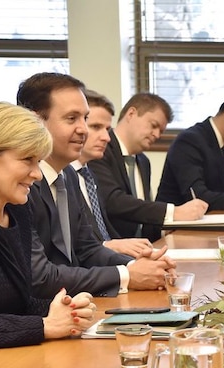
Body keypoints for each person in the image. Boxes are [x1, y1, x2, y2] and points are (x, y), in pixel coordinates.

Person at [0, 101, 96, 355]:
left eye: (38, 161)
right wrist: (45, 325)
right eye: (28, 160)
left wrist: (63, 309)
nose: (37, 174)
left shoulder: (16, 210)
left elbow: (17, 304)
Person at [16, 72, 175, 297]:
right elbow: (40, 276)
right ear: (35, 121)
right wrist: (127, 276)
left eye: (85, 118)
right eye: (72, 119)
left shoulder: (69, 175)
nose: (83, 129)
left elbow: (88, 249)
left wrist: (136, 265)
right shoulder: (20, 184)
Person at [89, 92, 208, 242]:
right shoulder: (99, 151)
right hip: (114, 251)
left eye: (161, 131)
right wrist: (173, 212)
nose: (157, 135)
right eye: (153, 125)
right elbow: (113, 202)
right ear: (131, 114)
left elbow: (141, 217)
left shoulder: (143, 161)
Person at [71, 90, 154, 257]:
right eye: (95, 127)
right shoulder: (63, 178)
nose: (106, 137)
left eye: (107, 129)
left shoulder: (87, 175)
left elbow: (103, 236)